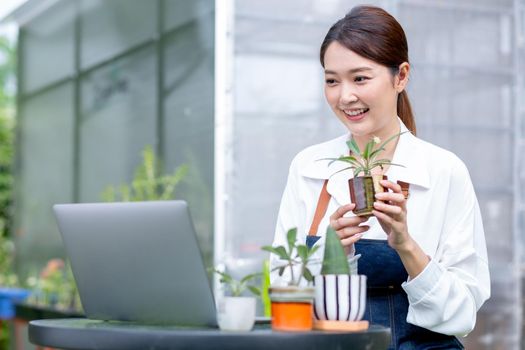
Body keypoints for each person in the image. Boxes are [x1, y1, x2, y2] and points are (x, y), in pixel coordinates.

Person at [269, 5, 490, 349]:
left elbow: (461, 314)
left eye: (360, 78)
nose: (345, 96)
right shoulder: (309, 167)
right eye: (331, 80)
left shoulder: (443, 170)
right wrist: (328, 254)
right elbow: (281, 291)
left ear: (400, 76)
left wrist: (405, 245)